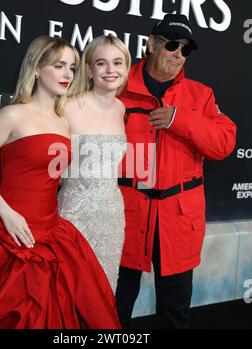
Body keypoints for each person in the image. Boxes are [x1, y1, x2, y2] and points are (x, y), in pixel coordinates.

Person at [0, 35, 121, 329]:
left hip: (51, 230)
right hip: (6, 230)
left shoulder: (64, 120)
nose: (68, 74)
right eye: (59, 66)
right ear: (35, 69)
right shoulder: (12, 115)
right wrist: (7, 213)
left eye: (72, 67)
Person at [115, 14, 237, 328]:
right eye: (171, 44)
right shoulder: (117, 84)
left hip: (178, 220)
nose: (178, 54)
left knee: (176, 311)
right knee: (113, 308)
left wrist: (177, 119)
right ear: (151, 43)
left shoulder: (201, 95)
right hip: (126, 216)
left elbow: (224, 143)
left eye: (185, 50)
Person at [58, 35, 131, 294]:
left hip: (111, 216)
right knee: (67, 293)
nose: (111, 70)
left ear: (126, 68)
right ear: (89, 69)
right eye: (101, 63)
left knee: (103, 293)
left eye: (118, 63)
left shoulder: (121, 109)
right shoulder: (66, 107)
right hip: (72, 216)